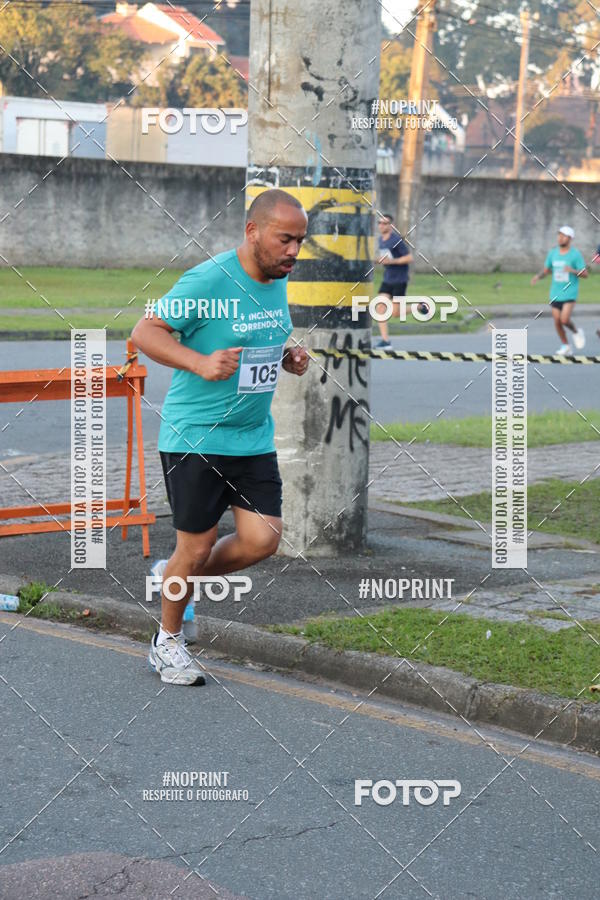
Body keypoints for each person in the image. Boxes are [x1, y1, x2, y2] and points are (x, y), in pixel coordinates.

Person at [132, 189, 309, 685]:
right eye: (285, 239)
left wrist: (286, 357)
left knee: (263, 540)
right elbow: (145, 332)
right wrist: (199, 362)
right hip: (196, 436)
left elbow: (256, 339)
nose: (294, 251)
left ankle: (172, 579)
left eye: (300, 241)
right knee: (197, 544)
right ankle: (166, 644)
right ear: (253, 232)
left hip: (251, 436)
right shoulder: (209, 279)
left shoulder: (277, 280)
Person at [531, 225, 587, 355]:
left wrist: (572, 270)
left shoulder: (575, 254)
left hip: (570, 292)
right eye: (559, 235)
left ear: (570, 238)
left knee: (564, 319)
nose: (560, 238)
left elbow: (585, 274)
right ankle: (565, 345)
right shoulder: (553, 253)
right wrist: (538, 277)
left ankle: (576, 332)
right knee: (557, 321)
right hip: (555, 293)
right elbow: (547, 270)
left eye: (564, 236)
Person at [372, 213, 414, 350]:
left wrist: (393, 261)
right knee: (379, 307)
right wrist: (378, 260)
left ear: (391, 226)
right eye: (379, 223)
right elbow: (386, 258)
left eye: (384, 223)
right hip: (388, 278)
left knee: (396, 313)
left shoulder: (396, 240)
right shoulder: (381, 240)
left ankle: (420, 306)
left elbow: (409, 258)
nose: (381, 225)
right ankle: (385, 341)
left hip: (399, 280)